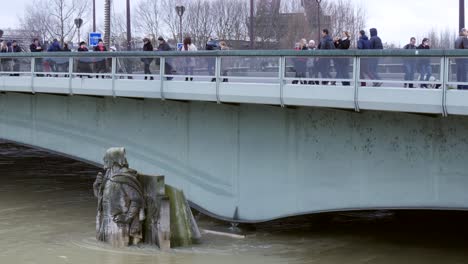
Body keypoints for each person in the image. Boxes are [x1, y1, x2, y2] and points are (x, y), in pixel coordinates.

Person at [93, 147, 145, 247]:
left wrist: (127, 218)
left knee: (117, 255)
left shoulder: (125, 178)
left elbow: (137, 200)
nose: (104, 159)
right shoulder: (108, 177)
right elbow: (102, 199)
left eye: (107, 157)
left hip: (119, 225)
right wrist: (96, 186)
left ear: (114, 159)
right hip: (105, 221)